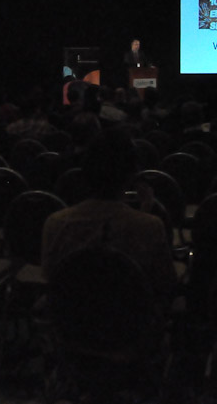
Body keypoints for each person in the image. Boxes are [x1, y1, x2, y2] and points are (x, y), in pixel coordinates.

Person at [41, 130, 176, 306]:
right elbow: (165, 282)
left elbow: (50, 278)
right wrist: (146, 211)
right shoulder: (150, 226)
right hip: (130, 318)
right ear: (131, 174)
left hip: (71, 318)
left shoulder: (56, 223)